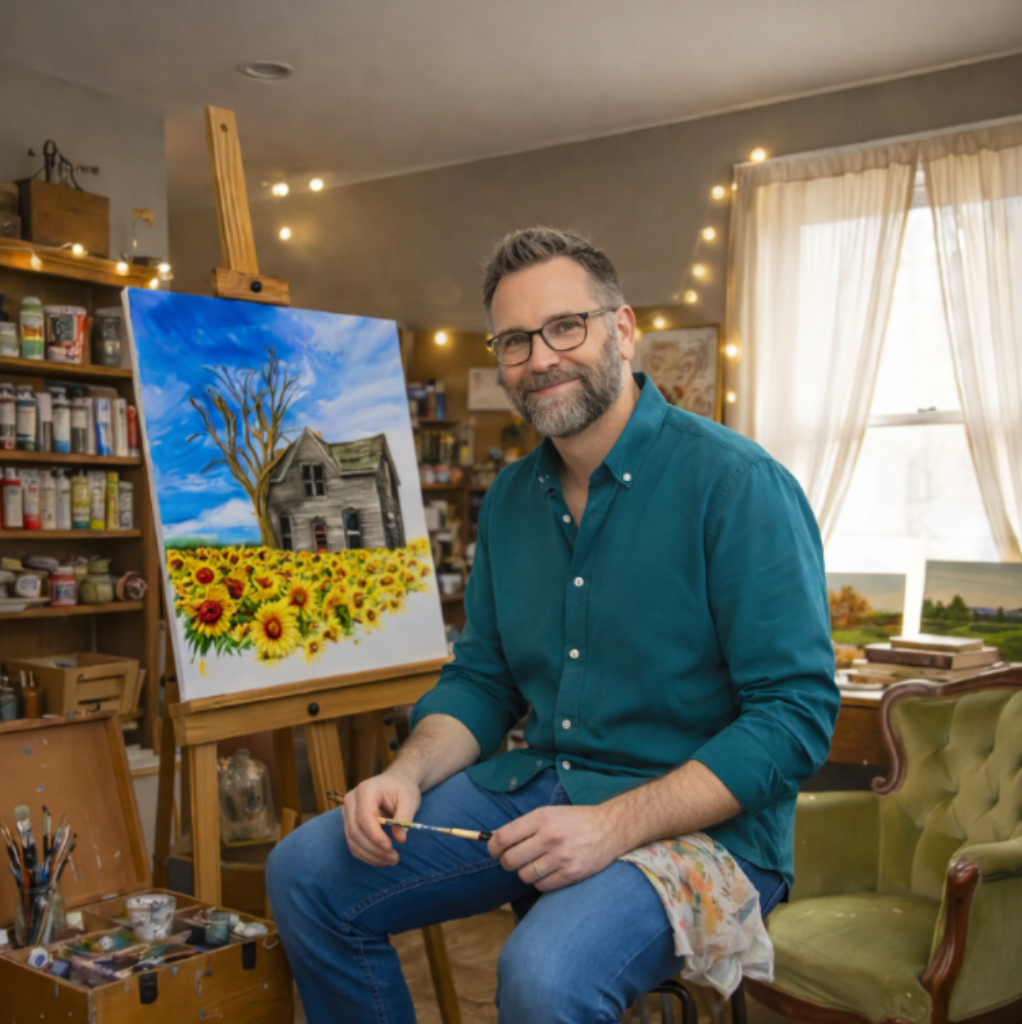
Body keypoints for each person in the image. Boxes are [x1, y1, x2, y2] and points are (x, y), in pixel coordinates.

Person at [267, 227, 839, 1023]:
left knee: (543, 975)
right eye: (514, 341)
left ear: (623, 328)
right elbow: (483, 679)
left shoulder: (738, 485)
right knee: (305, 870)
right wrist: (405, 774)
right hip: (539, 788)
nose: (540, 358)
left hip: (703, 827)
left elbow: (794, 718)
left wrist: (612, 826)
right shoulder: (507, 501)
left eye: (564, 327)